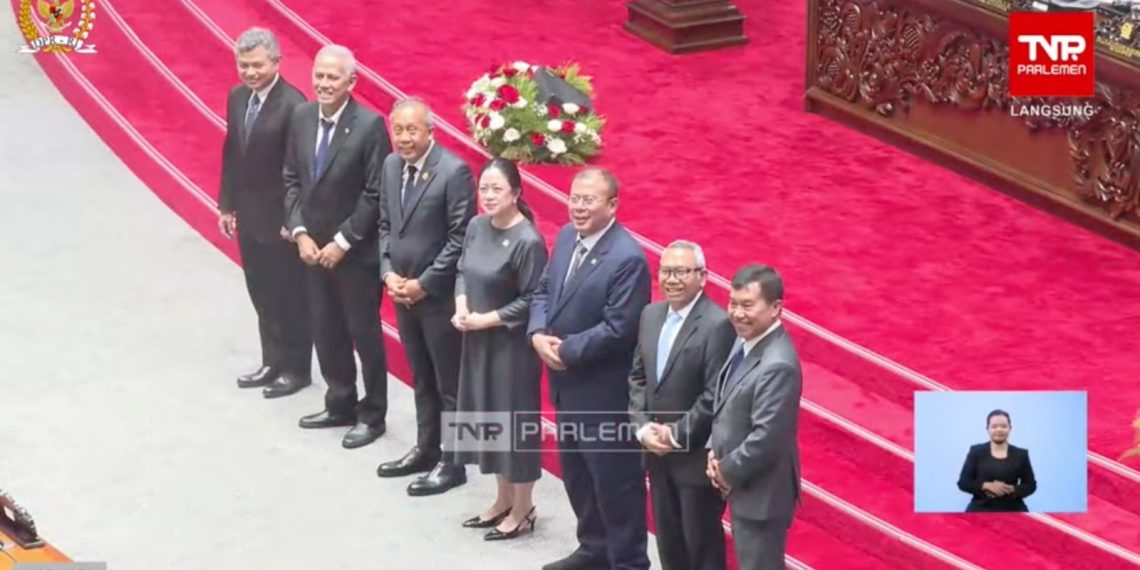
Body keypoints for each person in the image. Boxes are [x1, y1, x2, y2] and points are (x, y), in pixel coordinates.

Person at [528, 167, 652, 570]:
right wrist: (535, 334)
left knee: (616, 484)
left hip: (604, 394)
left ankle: (629, 562)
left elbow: (619, 328)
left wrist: (564, 350)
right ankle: (593, 548)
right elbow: (544, 290)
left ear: (612, 204)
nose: (578, 207)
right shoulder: (566, 237)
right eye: (575, 198)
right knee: (579, 476)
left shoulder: (627, 258)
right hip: (567, 386)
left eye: (589, 200)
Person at [282, 45, 392, 449]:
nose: (324, 84)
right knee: (325, 329)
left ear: (351, 82)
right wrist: (300, 233)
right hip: (312, 250)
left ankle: (374, 413)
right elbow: (291, 176)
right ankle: (339, 401)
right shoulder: (302, 116)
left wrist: (343, 241)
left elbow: (375, 191)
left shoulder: (369, 126)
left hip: (355, 253)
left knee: (363, 334)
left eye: (333, 78)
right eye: (320, 76)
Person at [375, 97, 476, 497]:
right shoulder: (389, 166)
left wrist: (425, 282)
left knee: (448, 381)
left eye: (412, 130)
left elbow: (459, 238)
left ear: (430, 131)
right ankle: (426, 447)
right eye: (398, 130)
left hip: (438, 297)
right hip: (401, 292)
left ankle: (454, 464)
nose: (404, 138)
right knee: (420, 376)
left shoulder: (453, 172)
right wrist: (388, 273)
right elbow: (385, 225)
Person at [451, 158, 547, 540]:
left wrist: (486, 318)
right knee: (487, 418)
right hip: (476, 340)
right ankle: (502, 498)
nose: (488, 196)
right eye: (484, 189)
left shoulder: (528, 241)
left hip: (510, 348)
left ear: (516, 194)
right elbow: (462, 270)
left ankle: (524, 507)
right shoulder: (476, 226)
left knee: (514, 426)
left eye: (497, 190)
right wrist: (461, 306)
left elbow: (533, 298)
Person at [217, 27, 311, 399]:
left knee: (289, 295)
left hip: (280, 221)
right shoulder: (237, 97)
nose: (250, 72)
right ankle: (272, 360)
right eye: (244, 65)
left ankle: (297, 368)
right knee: (261, 292)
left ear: (276, 62)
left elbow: (299, 169)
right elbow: (232, 151)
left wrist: (294, 220)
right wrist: (226, 204)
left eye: (257, 65)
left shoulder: (294, 104)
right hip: (249, 215)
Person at [628, 240, 734, 570]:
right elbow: (638, 376)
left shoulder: (718, 324)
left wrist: (674, 436)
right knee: (669, 544)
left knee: (701, 549)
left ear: (702, 277)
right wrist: (643, 427)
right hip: (657, 458)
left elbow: (714, 393)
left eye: (681, 272)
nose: (671, 279)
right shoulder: (650, 314)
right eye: (665, 271)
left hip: (694, 460)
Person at [707, 264, 802, 570]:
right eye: (733, 303)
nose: (737, 313)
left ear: (776, 308)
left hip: (761, 494)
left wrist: (725, 470)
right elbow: (725, 403)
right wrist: (713, 449)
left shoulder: (778, 365)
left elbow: (766, 439)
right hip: (742, 484)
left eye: (748, 305)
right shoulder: (744, 340)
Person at [956, 409, 1037, 512]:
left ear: (1010, 428)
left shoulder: (1021, 454)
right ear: (988, 428)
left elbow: (1031, 485)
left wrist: (1011, 489)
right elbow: (963, 482)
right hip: (981, 509)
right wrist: (986, 486)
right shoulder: (976, 451)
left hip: (1013, 509)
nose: (999, 430)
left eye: (1003, 426)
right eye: (994, 426)